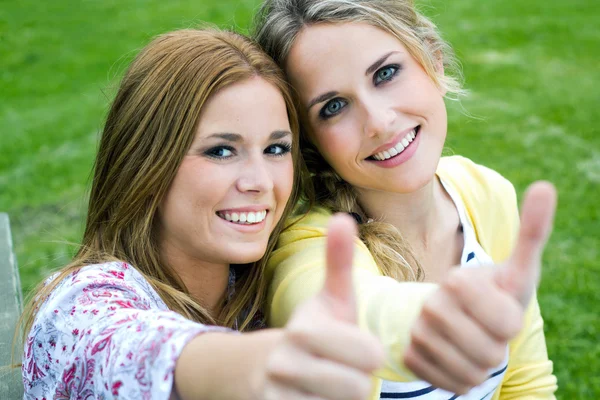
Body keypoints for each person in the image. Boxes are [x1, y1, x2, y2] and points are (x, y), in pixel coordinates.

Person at [19, 28, 386, 400]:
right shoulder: (79, 306)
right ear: (146, 164)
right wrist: (268, 362)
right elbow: (137, 353)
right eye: (222, 151)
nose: (260, 182)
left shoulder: (259, 292)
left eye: (276, 148)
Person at [253, 0, 558, 398]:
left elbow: (525, 383)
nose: (379, 122)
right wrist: (432, 322)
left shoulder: (486, 193)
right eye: (334, 106)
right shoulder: (314, 247)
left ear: (433, 60)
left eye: (386, 73)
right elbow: (346, 310)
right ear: (310, 142)